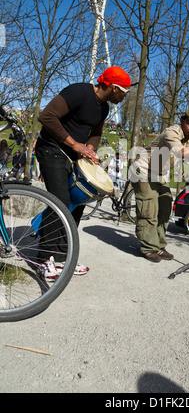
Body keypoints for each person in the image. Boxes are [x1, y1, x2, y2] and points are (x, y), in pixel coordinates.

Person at [35, 66, 131, 279]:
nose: (125, 96)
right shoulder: (79, 91)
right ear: (113, 87)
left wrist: (90, 149)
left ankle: (61, 258)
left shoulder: (103, 108)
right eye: (124, 91)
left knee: (77, 203)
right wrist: (75, 145)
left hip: (74, 157)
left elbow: (96, 134)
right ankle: (42, 259)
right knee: (59, 201)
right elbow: (47, 116)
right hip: (51, 149)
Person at [130, 110, 189, 263]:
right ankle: (148, 248)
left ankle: (159, 245)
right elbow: (181, 152)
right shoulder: (171, 132)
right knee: (149, 208)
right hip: (144, 169)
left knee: (166, 208)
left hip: (159, 173)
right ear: (182, 120)